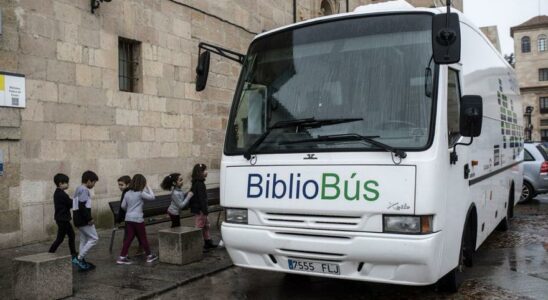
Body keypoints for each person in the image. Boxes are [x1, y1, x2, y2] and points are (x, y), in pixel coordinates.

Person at [117, 174, 158, 264]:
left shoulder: (127, 193)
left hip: (128, 218)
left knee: (128, 238)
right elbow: (152, 197)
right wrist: (148, 186)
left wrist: (130, 210)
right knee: (143, 238)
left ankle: (122, 256)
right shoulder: (140, 193)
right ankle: (149, 256)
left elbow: (123, 206)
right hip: (138, 219)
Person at [72, 170, 99, 271]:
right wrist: (89, 218)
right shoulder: (84, 190)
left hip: (77, 219)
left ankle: (81, 260)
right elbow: (82, 206)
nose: (94, 185)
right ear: (88, 181)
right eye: (93, 182)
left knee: (83, 239)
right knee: (94, 238)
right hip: (84, 220)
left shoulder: (78, 189)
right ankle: (79, 259)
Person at [48, 173, 78, 261]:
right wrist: (77, 200)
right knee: (62, 238)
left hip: (62, 219)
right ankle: (50, 253)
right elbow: (70, 203)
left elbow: (67, 203)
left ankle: (73, 253)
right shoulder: (61, 194)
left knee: (68, 236)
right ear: (61, 184)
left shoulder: (59, 193)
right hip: (63, 219)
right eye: (67, 183)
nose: (68, 184)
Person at [190, 163, 217, 250]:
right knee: (200, 226)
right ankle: (197, 245)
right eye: (205, 170)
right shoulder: (200, 184)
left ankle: (208, 242)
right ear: (200, 172)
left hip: (200, 209)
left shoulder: (197, 183)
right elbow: (201, 199)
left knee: (206, 226)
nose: (207, 172)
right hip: (200, 209)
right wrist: (205, 210)